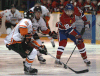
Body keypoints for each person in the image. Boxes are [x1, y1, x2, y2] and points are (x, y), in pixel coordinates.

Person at [4, 10, 48, 75]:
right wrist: (28, 37)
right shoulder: (26, 21)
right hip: (14, 42)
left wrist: (39, 47)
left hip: (14, 41)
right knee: (33, 52)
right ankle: (27, 68)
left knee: (31, 52)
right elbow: (24, 32)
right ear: (32, 16)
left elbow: (30, 39)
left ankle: (27, 65)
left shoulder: (27, 22)